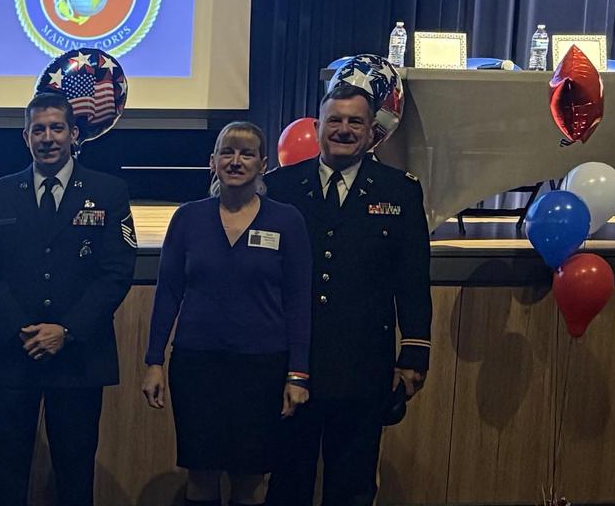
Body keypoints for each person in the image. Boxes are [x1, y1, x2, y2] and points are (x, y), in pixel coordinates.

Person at [0, 90, 137, 506]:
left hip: (79, 357)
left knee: (75, 473)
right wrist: (23, 330)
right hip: (15, 353)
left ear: (74, 133)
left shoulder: (109, 192)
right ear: (25, 137)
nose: (47, 137)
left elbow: (116, 273)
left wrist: (67, 331)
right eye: (38, 129)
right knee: (5, 474)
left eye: (56, 128)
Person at [265, 84, 432, 506]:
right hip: (292, 361)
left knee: (353, 485)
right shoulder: (280, 186)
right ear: (318, 127)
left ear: (372, 131)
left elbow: (412, 277)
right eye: (335, 121)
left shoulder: (399, 191)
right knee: (287, 482)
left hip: (363, 365)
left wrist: (413, 353)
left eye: (355, 121)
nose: (343, 129)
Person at [142, 122, 312, 506]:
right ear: (212, 162)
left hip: (262, 369)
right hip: (196, 367)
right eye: (227, 152)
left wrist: (298, 374)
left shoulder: (287, 221)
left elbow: (299, 302)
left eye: (246, 153)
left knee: (250, 482)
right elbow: (168, 292)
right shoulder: (187, 219)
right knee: (200, 479)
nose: (236, 161)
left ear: (263, 164)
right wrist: (154, 361)